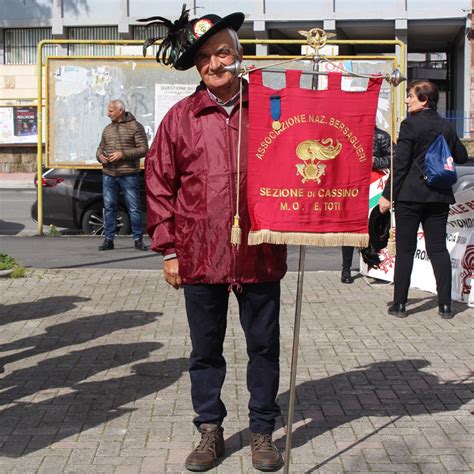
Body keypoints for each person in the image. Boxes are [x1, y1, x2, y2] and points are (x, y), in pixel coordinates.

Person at [143, 8, 287, 472]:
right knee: (206, 350)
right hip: (199, 252)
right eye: (204, 57)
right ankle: (210, 429)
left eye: (222, 52)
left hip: (259, 250)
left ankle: (263, 428)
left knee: (263, 346)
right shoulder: (181, 117)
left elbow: (298, 163)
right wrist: (169, 249)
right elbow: (159, 184)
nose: (214, 64)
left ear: (239, 55)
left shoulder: (270, 109)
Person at [378, 80, 468, 318]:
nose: (407, 100)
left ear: (424, 99)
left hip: (410, 196)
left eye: (410, 96)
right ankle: (446, 306)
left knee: (406, 251)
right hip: (439, 195)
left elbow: (401, 164)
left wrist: (387, 196)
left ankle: (399, 305)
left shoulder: (410, 125)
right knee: (438, 249)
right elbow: (461, 155)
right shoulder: (446, 125)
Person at [341, 126, 394, 283]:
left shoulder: (381, 136)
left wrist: (374, 161)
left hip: (375, 186)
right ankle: (346, 269)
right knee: (349, 228)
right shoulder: (346, 133)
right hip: (351, 185)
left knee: (374, 227)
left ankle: (374, 264)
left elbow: (395, 157)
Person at [96, 99, 148, 251]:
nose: (108, 113)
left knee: (133, 208)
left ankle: (138, 239)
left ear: (120, 111)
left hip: (128, 174)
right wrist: (100, 156)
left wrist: (122, 154)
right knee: (109, 207)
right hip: (108, 173)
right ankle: (108, 239)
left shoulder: (135, 127)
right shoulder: (107, 129)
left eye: (111, 111)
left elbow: (144, 149)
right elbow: (100, 148)